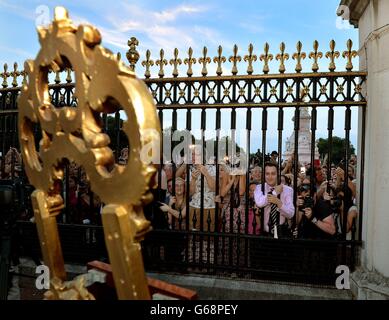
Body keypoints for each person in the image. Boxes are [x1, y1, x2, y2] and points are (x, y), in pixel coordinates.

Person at [254, 162, 294, 238]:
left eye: (273, 174)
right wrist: (275, 193)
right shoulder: (259, 187)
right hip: (264, 232)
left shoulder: (288, 190)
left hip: (282, 232)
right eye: (267, 174)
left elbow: (291, 214)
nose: (270, 177)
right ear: (264, 175)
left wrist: (279, 203)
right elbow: (260, 203)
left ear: (278, 175)